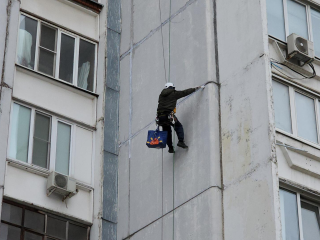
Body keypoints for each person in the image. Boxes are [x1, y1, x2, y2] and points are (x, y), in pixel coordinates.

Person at [157, 82, 203, 153]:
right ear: (172, 87)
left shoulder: (161, 95)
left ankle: (170, 148)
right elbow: (184, 92)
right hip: (169, 115)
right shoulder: (174, 93)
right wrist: (195, 89)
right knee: (178, 126)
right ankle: (181, 141)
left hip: (160, 117)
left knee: (167, 132)